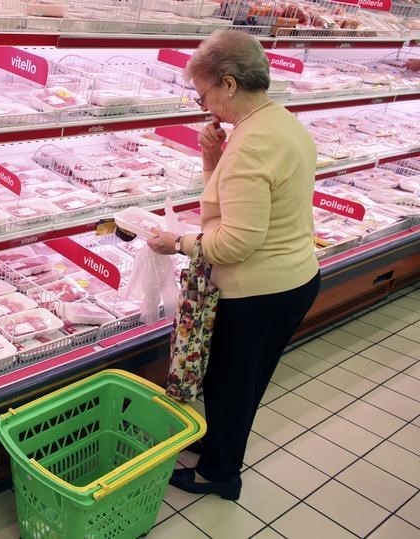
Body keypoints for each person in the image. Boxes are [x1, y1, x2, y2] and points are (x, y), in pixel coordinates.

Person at [147, 29, 321, 501]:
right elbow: (236, 202)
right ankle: (218, 443)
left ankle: (219, 474)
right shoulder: (278, 123)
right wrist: (210, 157)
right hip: (292, 279)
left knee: (231, 383)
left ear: (228, 83)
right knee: (241, 379)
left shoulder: (252, 144)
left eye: (204, 93)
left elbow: (235, 243)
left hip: (260, 291)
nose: (204, 106)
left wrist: (177, 243)